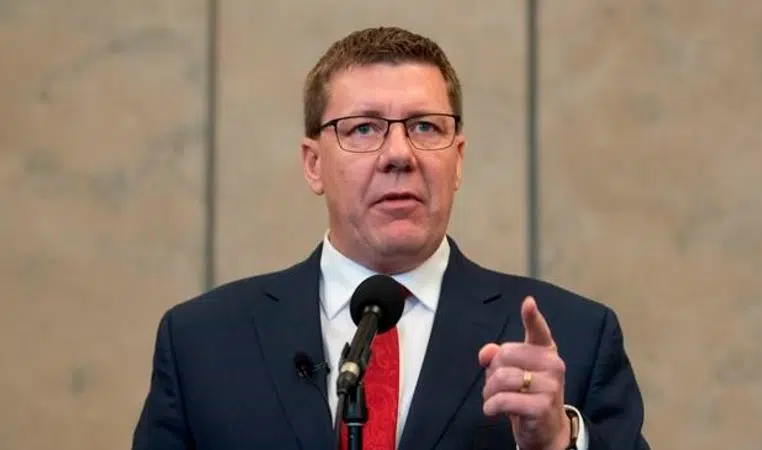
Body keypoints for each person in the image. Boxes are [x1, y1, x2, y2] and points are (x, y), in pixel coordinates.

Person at [132, 26, 650, 450]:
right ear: (314, 164)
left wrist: (558, 442)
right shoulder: (202, 342)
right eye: (363, 128)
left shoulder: (576, 338)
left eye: (425, 127)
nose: (399, 154)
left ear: (457, 160)